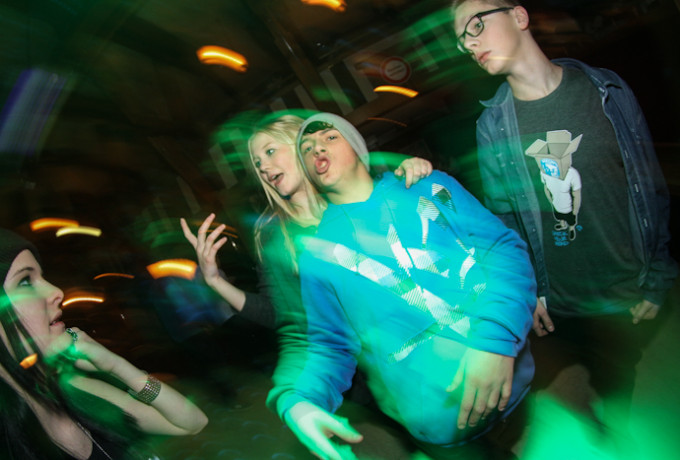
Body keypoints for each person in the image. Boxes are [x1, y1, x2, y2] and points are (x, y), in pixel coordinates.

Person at [451, 0, 678, 452]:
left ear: (519, 16)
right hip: (561, 297)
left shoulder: (604, 89)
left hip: (625, 283)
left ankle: (613, 419)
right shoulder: (493, 126)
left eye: (476, 25)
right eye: (461, 40)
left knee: (620, 368)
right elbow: (505, 217)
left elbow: (648, 183)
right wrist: (532, 289)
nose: (469, 44)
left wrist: (657, 276)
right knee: (574, 365)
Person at [266, 112, 536, 460]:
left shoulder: (429, 186)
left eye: (330, 137)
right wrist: (299, 400)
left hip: (515, 382)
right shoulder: (317, 256)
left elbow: (501, 251)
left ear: (358, 149)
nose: (317, 147)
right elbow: (329, 344)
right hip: (442, 426)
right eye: (306, 148)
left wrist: (495, 339)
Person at [180, 112, 433, 330]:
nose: (264, 168)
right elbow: (278, 313)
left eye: (270, 152)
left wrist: (416, 177)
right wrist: (215, 280)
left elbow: (424, 249)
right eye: (258, 164)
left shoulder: (354, 194)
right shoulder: (274, 235)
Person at [0, 228, 208, 459]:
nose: (56, 291)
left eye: (42, 277)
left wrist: (117, 366)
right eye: (25, 282)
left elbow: (191, 422)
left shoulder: (74, 389)